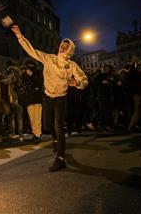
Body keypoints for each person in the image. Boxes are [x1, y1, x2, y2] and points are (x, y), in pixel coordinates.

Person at [11, 25, 88, 172]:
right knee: (47, 123)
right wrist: (20, 37)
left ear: (70, 50)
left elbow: (84, 80)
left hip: (61, 98)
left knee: (58, 126)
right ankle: (55, 139)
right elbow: (32, 51)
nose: (62, 48)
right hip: (47, 96)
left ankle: (61, 158)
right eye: (62, 45)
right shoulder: (49, 59)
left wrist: (77, 83)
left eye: (66, 47)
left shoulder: (72, 65)